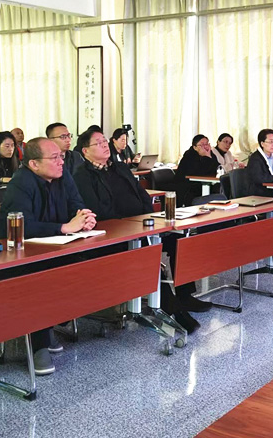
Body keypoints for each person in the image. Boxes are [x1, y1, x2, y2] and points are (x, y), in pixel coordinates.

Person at [72, 129, 209, 332]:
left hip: (140, 224)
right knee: (148, 253)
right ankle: (171, 309)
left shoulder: (119, 167)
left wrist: (148, 218)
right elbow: (98, 210)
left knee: (181, 240)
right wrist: (129, 224)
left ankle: (185, 295)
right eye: (98, 143)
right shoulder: (82, 176)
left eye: (104, 141)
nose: (104, 145)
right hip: (113, 234)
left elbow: (141, 194)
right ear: (85, 151)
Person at [0, 137, 96, 374]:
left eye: (61, 157)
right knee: (41, 277)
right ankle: (38, 343)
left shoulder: (64, 176)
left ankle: (51, 322)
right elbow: (22, 224)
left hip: (58, 245)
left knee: (88, 266)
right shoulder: (20, 182)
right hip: (22, 252)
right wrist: (64, 227)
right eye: (54, 158)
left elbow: (77, 204)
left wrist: (85, 219)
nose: (61, 162)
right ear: (34, 164)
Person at [174, 134, 221, 205]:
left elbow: (217, 168)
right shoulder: (189, 155)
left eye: (206, 144)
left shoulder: (210, 154)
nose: (205, 147)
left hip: (202, 184)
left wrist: (209, 156)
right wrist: (206, 157)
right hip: (188, 186)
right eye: (202, 145)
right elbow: (200, 172)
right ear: (195, 147)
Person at [247, 128, 273, 197]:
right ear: (262, 144)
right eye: (271, 142)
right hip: (259, 194)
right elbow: (259, 178)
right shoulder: (255, 158)